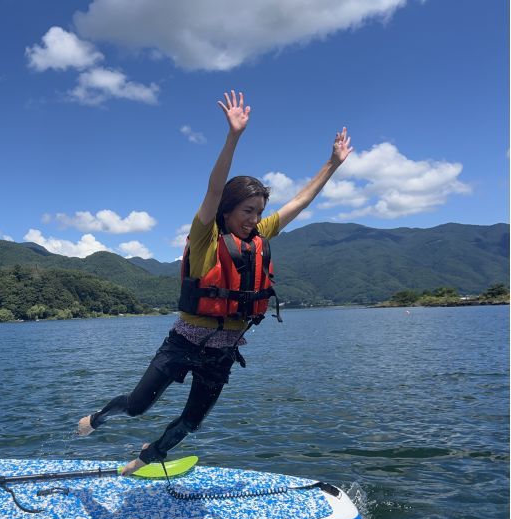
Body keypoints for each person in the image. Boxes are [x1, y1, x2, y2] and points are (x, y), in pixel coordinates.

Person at [77, 89, 353, 475]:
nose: (254, 218)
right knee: (138, 406)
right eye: (246, 210)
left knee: (191, 422)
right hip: (183, 343)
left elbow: (300, 202)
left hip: (222, 353)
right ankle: (100, 417)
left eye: (259, 212)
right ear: (227, 210)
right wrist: (233, 137)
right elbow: (213, 188)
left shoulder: (258, 236)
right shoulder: (207, 234)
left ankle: (147, 457)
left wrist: (332, 164)